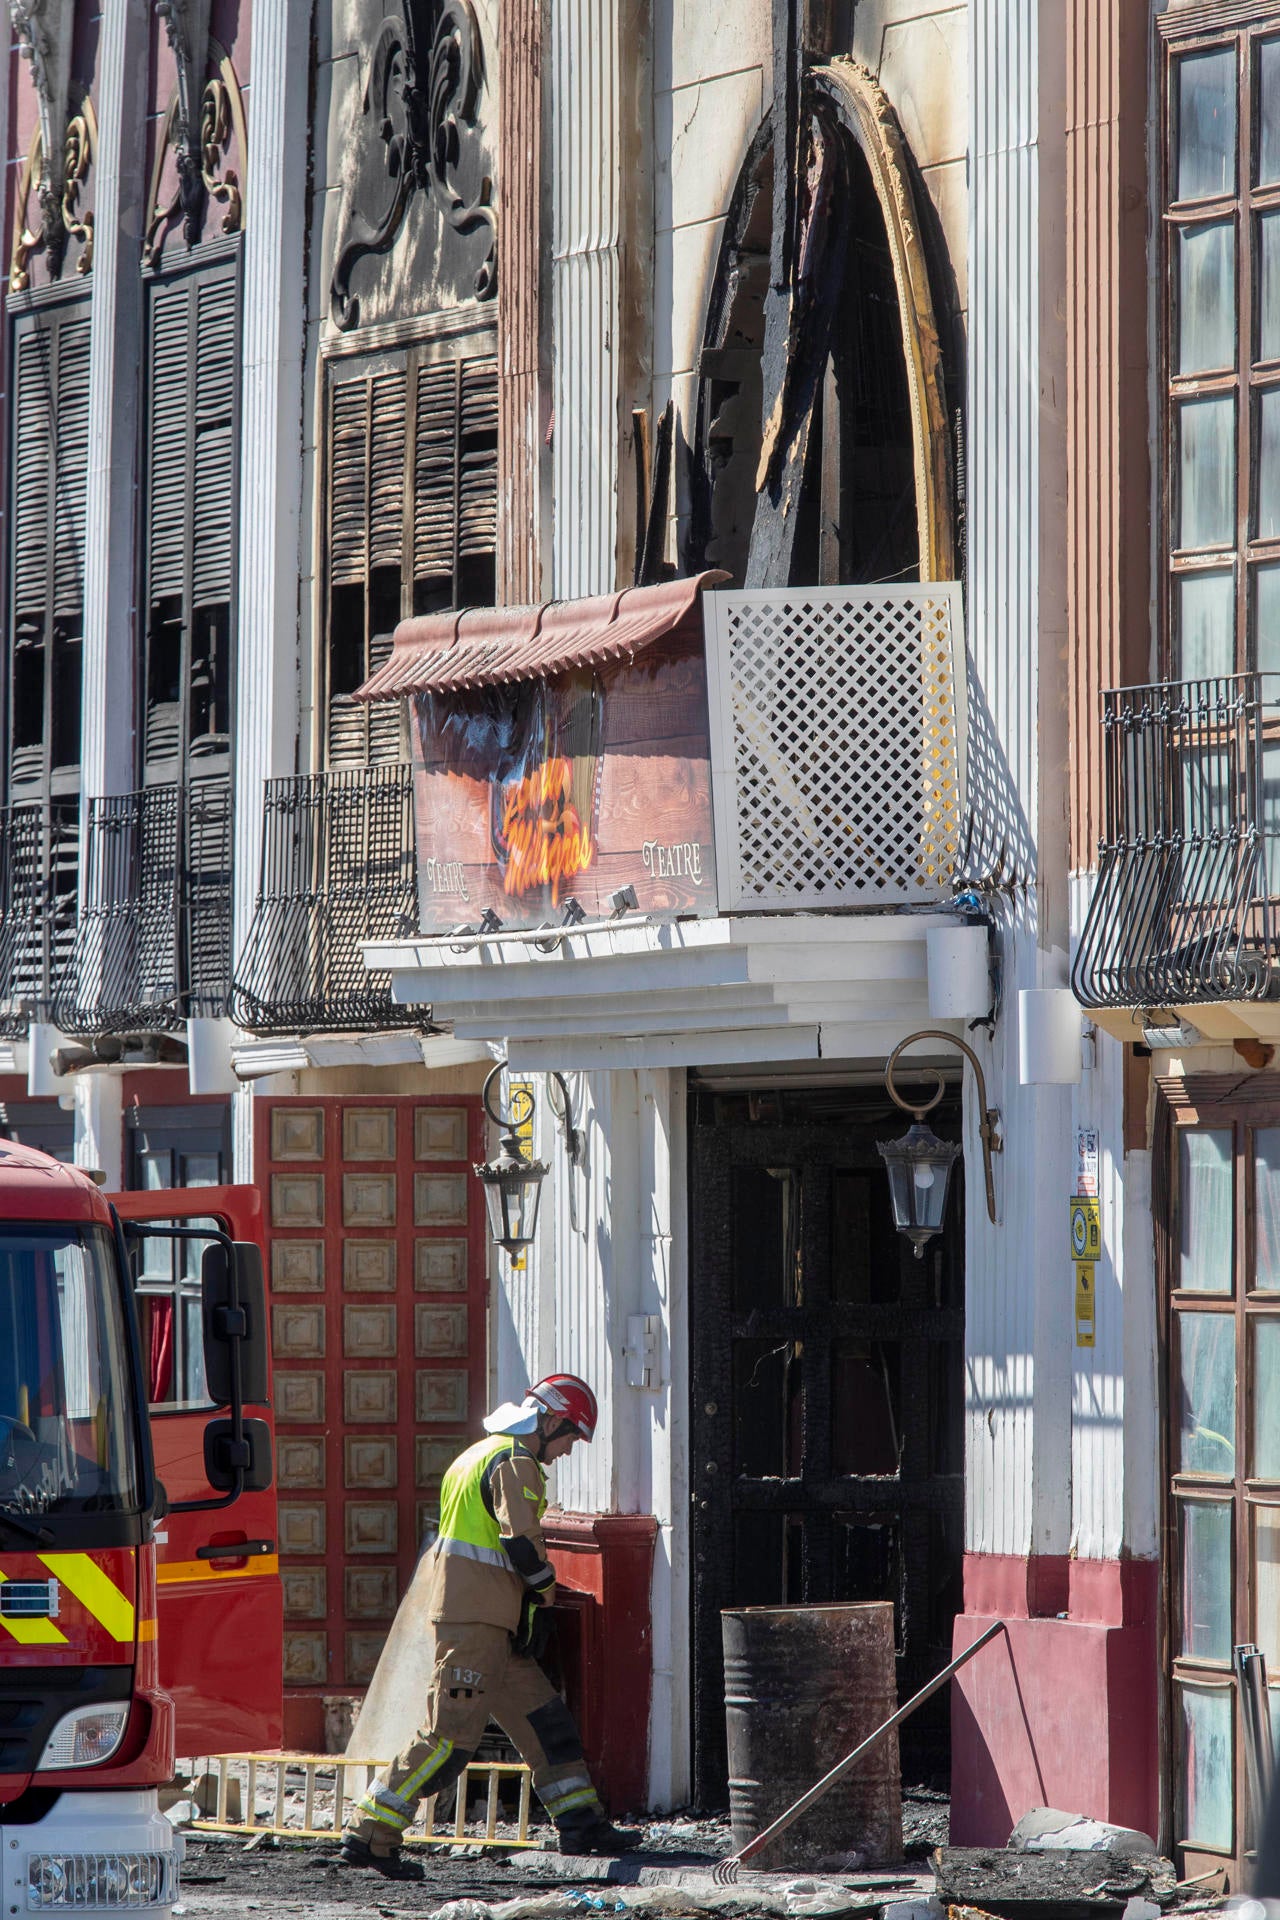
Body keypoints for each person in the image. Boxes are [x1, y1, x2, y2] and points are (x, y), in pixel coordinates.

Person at [341, 1373, 642, 1881]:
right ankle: (370, 1834)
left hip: (490, 1624)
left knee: (547, 1725)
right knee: (447, 1741)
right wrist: (545, 1592)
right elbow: (520, 1543)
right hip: (476, 1625)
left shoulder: (478, 1454)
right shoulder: (515, 1461)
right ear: (549, 1421)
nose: (569, 1450)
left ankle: (581, 1823)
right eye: (571, 1436)